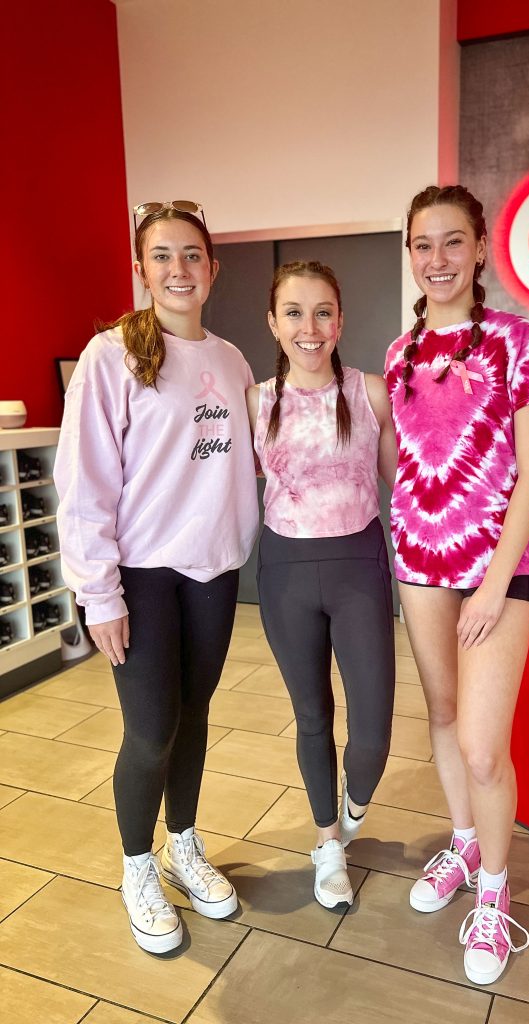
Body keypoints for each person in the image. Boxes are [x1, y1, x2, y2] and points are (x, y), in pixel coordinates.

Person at [54, 201, 259, 954]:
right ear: (141, 270)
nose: (180, 269)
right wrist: (97, 594)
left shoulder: (233, 360)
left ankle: (184, 844)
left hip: (212, 571)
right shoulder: (111, 357)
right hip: (139, 577)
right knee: (151, 732)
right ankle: (137, 865)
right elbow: (83, 488)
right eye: (163, 256)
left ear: (212, 268)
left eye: (193, 255)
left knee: (195, 716)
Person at [384, 185, 529, 984]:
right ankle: (462, 845)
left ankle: (495, 890)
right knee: (444, 715)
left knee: (485, 746)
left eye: (453, 242)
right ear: (411, 254)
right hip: (420, 563)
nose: (438, 259)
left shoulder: (519, 342)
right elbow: (403, 462)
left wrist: (493, 586)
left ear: (482, 249)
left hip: (497, 571)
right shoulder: (399, 354)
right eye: (423, 244)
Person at [248, 260, 397, 910]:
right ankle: (328, 842)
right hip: (284, 572)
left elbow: (406, 482)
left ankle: (354, 810)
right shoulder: (254, 400)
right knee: (313, 718)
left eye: (323, 312)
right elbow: (213, 480)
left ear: (341, 318)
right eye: (293, 312)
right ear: (273, 322)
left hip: (359, 566)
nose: (310, 328)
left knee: (371, 734)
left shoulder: (372, 392)